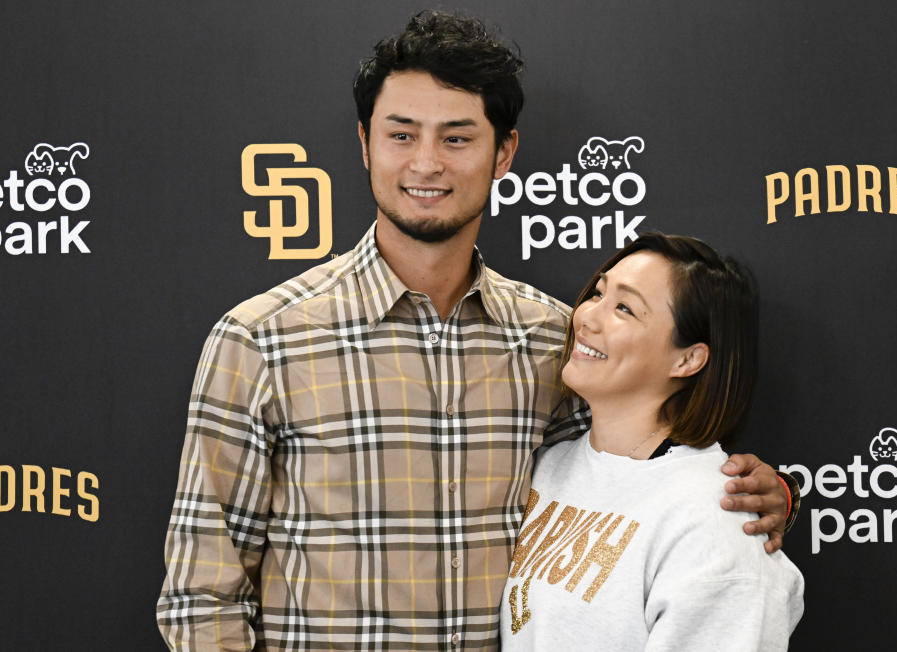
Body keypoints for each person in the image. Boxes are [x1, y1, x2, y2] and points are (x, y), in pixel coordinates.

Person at [156, 11, 796, 650]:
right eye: (401, 135)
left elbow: (625, 485)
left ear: (504, 153)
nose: (426, 163)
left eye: (457, 138)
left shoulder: (554, 340)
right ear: (364, 143)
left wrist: (749, 497)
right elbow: (201, 596)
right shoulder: (262, 341)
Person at [500, 233, 804, 650]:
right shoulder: (550, 464)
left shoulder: (719, 524)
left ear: (688, 359)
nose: (586, 317)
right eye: (599, 293)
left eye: (625, 308)